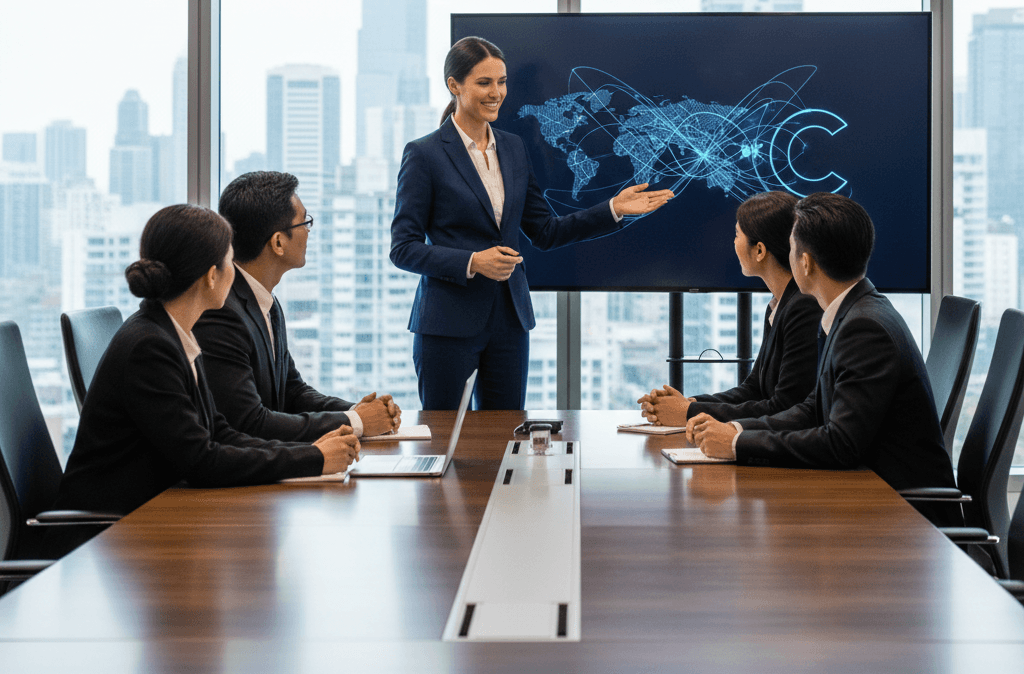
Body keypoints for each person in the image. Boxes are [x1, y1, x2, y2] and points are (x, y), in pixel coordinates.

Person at [390, 36, 674, 410]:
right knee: (447, 442)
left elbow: (545, 231)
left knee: (505, 435)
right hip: (446, 325)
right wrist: (473, 263)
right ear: (453, 85)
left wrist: (613, 209)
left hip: (509, 321)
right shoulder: (424, 154)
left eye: (502, 81)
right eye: (484, 83)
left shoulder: (513, 148)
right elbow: (403, 248)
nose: (496, 93)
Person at [58, 205, 359, 516]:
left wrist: (311, 450)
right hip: (106, 534)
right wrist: (314, 458)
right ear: (212, 277)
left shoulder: (174, 333)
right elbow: (203, 462)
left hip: (150, 514)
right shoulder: (150, 347)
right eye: (230, 260)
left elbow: (219, 433)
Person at [688, 193, 960, 527]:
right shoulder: (851, 313)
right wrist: (735, 430)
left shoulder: (864, 328)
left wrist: (736, 443)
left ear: (805, 262)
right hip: (876, 500)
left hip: (906, 519)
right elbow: (812, 409)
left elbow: (840, 443)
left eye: (790, 248)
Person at [194, 172, 399, 442]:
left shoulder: (266, 301)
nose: (309, 232)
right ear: (278, 242)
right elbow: (247, 422)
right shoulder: (221, 313)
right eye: (305, 222)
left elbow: (293, 392)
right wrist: (357, 422)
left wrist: (356, 410)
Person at [637, 191, 819, 425]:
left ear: (760, 250)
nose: (733, 243)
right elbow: (754, 389)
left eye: (737, 235)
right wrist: (688, 403)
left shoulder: (803, 306)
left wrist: (687, 413)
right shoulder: (779, 304)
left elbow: (785, 406)